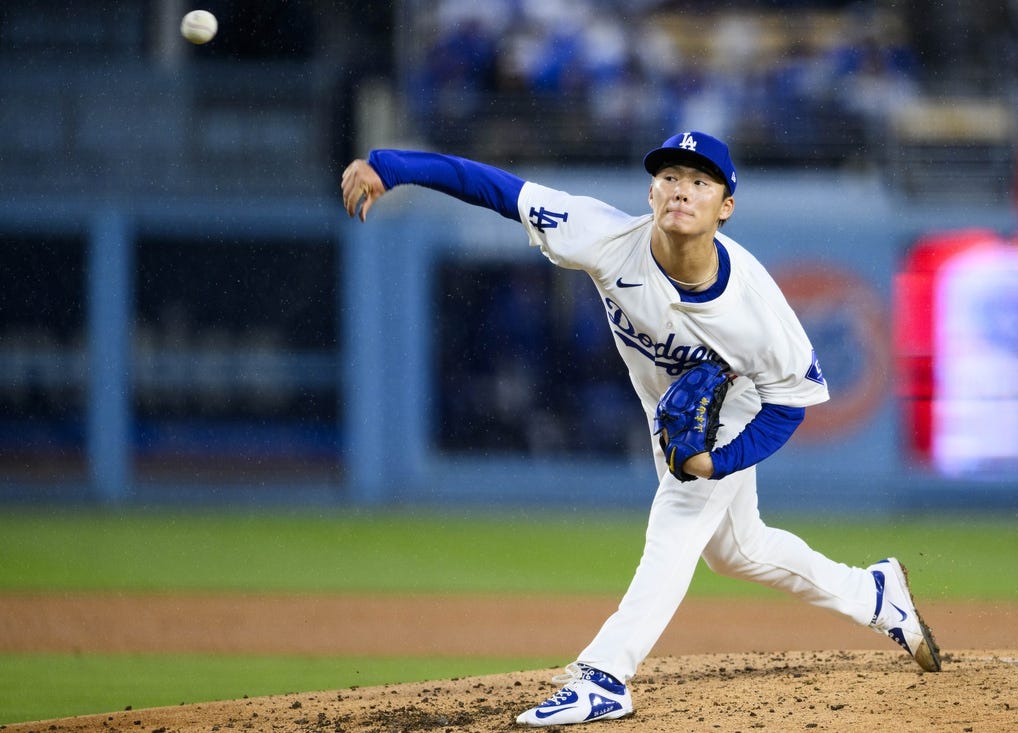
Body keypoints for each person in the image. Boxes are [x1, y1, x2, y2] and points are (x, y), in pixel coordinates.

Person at [340, 130, 942, 727]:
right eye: (670, 177)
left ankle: (604, 675)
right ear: (651, 192)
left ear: (725, 206)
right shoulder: (604, 235)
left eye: (700, 181)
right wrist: (391, 166)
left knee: (677, 523)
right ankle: (873, 594)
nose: (682, 190)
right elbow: (496, 189)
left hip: (732, 411)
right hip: (672, 416)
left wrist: (717, 462)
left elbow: (787, 407)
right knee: (737, 551)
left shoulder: (757, 310)